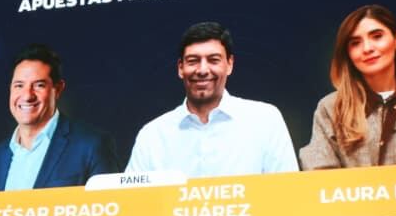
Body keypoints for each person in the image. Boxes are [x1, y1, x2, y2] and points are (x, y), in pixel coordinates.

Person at [126, 22, 297, 177]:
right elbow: (130, 202)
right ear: (180, 68)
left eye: (213, 60)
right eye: (193, 61)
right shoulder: (152, 135)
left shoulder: (265, 120)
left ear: (229, 64)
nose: (202, 70)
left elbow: (287, 194)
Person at [299, 4, 396, 168]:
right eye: (355, 43)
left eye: (377, 36)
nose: (367, 48)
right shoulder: (330, 108)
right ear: (348, 53)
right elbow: (321, 182)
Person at [0, 44, 118, 191]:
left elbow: (112, 209)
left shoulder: (91, 146)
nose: (27, 96)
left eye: (39, 85)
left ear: (58, 89)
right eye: (19, 85)